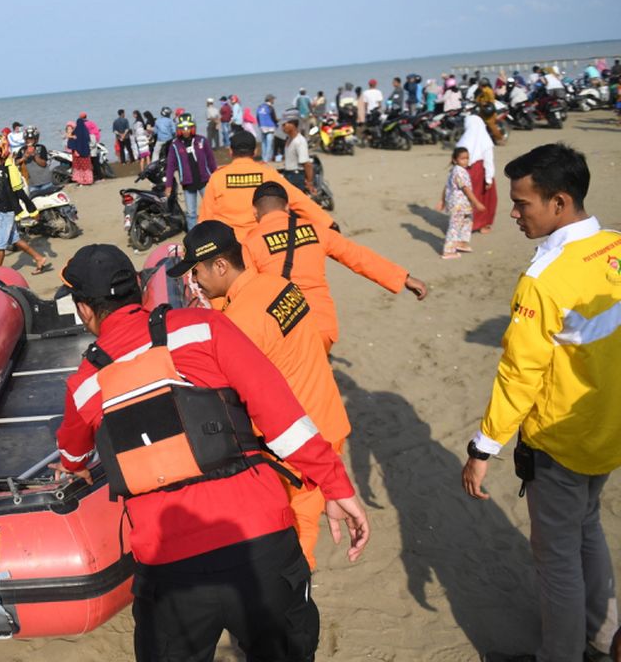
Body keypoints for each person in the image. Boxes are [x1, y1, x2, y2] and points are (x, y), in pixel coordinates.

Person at [53, 244, 369, 662]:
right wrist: (335, 485)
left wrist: (73, 468)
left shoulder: (84, 386)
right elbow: (283, 418)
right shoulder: (206, 326)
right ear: (141, 289)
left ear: (84, 311)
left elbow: (73, 458)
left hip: (170, 571)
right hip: (260, 545)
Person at [461, 143, 619, 662]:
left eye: (522, 203)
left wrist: (483, 449)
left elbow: (519, 375)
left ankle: (562, 654)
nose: (512, 213)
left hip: (562, 441)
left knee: (556, 561)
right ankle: (602, 632)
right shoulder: (616, 246)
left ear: (559, 202)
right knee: (588, 525)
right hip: (608, 430)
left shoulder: (543, 279)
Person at [174, 221, 351, 570]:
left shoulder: (240, 322)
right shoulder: (278, 286)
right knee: (307, 524)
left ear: (220, 266)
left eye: (197, 272)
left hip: (297, 448)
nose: (196, 282)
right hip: (328, 419)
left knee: (295, 543)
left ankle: (296, 599)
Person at [243, 182, 427, 351]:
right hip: (322, 327)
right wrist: (403, 278)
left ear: (254, 211)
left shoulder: (250, 243)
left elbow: (241, 291)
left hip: (283, 329)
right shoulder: (315, 229)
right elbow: (357, 256)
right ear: (287, 207)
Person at [198, 130, 334, 241]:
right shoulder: (267, 174)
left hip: (229, 247)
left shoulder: (218, 178)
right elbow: (298, 200)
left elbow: (205, 217)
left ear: (231, 152)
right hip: (262, 243)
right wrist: (327, 222)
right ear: (255, 151)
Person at [0, 135, 50, 273]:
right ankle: (39, 258)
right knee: (15, 239)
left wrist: (32, 211)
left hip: (7, 212)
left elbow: (20, 192)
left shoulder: (11, 168)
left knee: (0, 246)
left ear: (1, 149)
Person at [164, 112, 217, 230]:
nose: (186, 131)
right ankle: (193, 235)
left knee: (212, 208)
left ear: (193, 127)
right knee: (191, 213)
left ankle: (215, 231)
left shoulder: (202, 141)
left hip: (205, 181)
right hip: (188, 184)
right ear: (179, 129)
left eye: (188, 127)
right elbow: (171, 166)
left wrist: (216, 176)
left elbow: (211, 160)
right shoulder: (174, 145)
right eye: (183, 128)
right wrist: (168, 185)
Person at [438, 147, 485, 259]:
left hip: (463, 204)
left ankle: (461, 242)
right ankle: (448, 250)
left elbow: (446, 187)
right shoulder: (459, 172)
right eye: (462, 158)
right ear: (455, 160)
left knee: (467, 221)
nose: (465, 161)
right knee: (454, 226)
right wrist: (477, 202)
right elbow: (466, 189)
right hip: (459, 204)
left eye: (467, 158)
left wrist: (443, 200)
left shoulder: (456, 170)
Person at [459, 103, 498, 233]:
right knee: (485, 199)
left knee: (467, 198)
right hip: (481, 171)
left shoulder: (463, 140)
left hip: (467, 172)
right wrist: (488, 179)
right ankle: (483, 224)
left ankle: (466, 224)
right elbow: (488, 160)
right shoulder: (485, 139)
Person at [279, 110, 315, 195]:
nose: (282, 127)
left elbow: (307, 164)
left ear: (293, 124)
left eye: (285, 124)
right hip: (288, 174)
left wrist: (309, 182)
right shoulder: (289, 139)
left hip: (296, 176)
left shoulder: (299, 141)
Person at [69, 116, 94, 185]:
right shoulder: (85, 131)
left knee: (79, 167)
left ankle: (80, 180)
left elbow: (70, 143)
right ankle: (88, 180)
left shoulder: (75, 132)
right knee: (87, 167)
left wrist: (76, 150)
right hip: (85, 153)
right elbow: (88, 140)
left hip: (77, 155)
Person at [256, 94, 278, 161]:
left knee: (263, 143)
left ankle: (263, 157)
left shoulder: (260, 107)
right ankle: (267, 158)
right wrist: (277, 124)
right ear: (270, 100)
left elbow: (257, 117)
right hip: (270, 127)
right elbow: (273, 118)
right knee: (269, 143)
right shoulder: (270, 107)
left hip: (262, 126)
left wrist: (259, 125)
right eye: (273, 99)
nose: (274, 101)